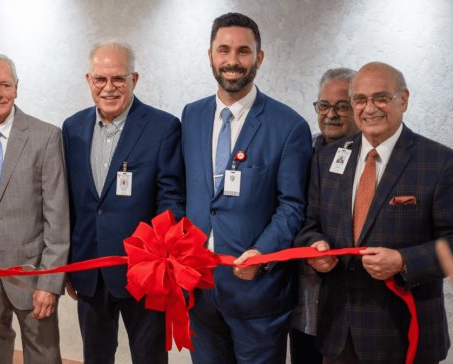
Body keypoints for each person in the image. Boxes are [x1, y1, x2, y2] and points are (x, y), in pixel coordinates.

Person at [295, 62, 452, 363]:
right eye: (360, 99)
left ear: (403, 100)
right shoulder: (325, 159)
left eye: (381, 97)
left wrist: (404, 261)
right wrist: (315, 247)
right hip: (339, 333)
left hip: (406, 335)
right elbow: (309, 224)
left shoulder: (440, 162)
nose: (370, 108)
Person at [181, 13, 313, 364]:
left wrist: (262, 254)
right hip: (199, 288)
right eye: (224, 50)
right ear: (210, 55)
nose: (233, 61)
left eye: (243, 51)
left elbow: (292, 206)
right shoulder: (191, 116)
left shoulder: (288, 126)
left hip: (257, 293)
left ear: (259, 58)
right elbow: (189, 194)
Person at [62, 41, 185, 364]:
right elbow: (71, 204)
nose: (109, 88)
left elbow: (171, 199)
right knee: (95, 357)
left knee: (149, 358)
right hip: (90, 269)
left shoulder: (163, 127)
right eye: (100, 79)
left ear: (135, 79)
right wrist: (69, 264)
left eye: (118, 79)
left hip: (143, 273)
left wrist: (157, 257)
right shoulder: (72, 128)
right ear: (89, 80)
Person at [0, 53, 70, 364]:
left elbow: (58, 219)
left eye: (5, 84)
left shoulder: (45, 137)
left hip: (33, 276)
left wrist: (50, 284)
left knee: (45, 358)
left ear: (17, 88)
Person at [290, 67, 357, 364]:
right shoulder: (301, 150)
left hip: (353, 303)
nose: (332, 114)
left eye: (342, 106)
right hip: (303, 297)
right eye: (324, 105)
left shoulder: (375, 160)